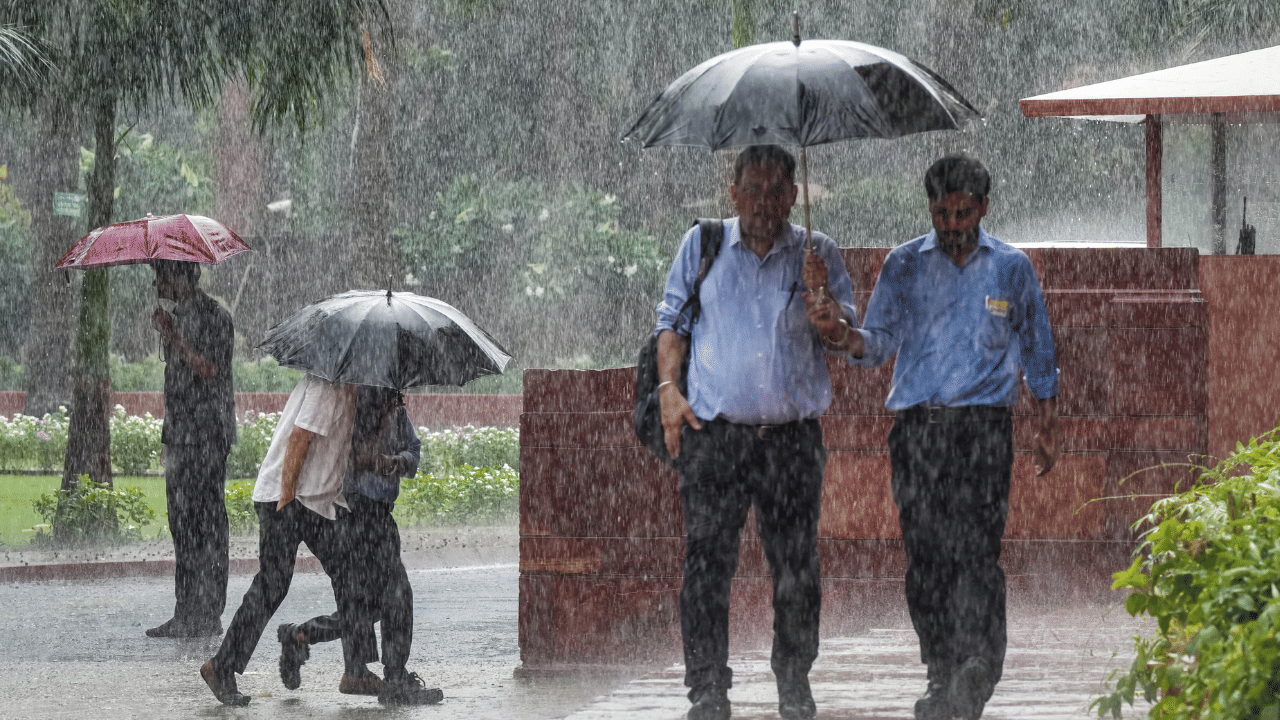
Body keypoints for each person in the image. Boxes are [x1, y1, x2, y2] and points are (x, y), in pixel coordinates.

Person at [843, 154, 1060, 720]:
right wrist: (841, 336)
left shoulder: (1012, 268)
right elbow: (877, 344)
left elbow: (1037, 343)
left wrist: (1047, 423)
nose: (953, 226)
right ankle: (942, 672)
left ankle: (980, 667)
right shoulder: (903, 266)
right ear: (930, 209)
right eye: (943, 214)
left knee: (977, 556)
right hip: (919, 433)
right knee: (927, 560)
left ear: (984, 208)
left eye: (964, 213)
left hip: (985, 432)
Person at [655, 144, 858, 720]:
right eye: (755, 189)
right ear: (733, 192)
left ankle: (793, 682)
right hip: (715, 438)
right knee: (706, 567)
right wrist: (669, 390)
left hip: (792, 442)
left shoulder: (818, 252)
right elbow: (671, 321)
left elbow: (846, 339)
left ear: (795, 195)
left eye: (778, 190)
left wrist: (826, 311)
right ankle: (708, 690)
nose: (766, 202)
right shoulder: (704, 244)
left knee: (797, 569)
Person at [274, 385, 443, 706]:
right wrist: (371, 440)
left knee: (370, 605)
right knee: (396, 595)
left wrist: (397, 461)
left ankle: (300, 635)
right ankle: (394, 677)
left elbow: (414, 448)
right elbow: (345, 456)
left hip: (381, 515)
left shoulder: (395, 406)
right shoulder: (352, 405)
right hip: (353, 513)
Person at [200, 373, 358, 706]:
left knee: (348, 580)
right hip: (290, 499)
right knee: (276, 583)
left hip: (313, 502)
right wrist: (285, 498)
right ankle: (222, 666)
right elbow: (300, 438)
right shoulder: (327, 382)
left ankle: (344, 662)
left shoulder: (344, 382)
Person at [146, 259, 236, 638]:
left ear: (181, 276)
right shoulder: (179, 315)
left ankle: (209, 612)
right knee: (181, 523)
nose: (156, 284)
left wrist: (176, 338)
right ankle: (185, 612)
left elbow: (211, 369)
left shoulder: (215, 316)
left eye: (160, 276)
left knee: (208, 523)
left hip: (207, 435)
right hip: (180, 434)